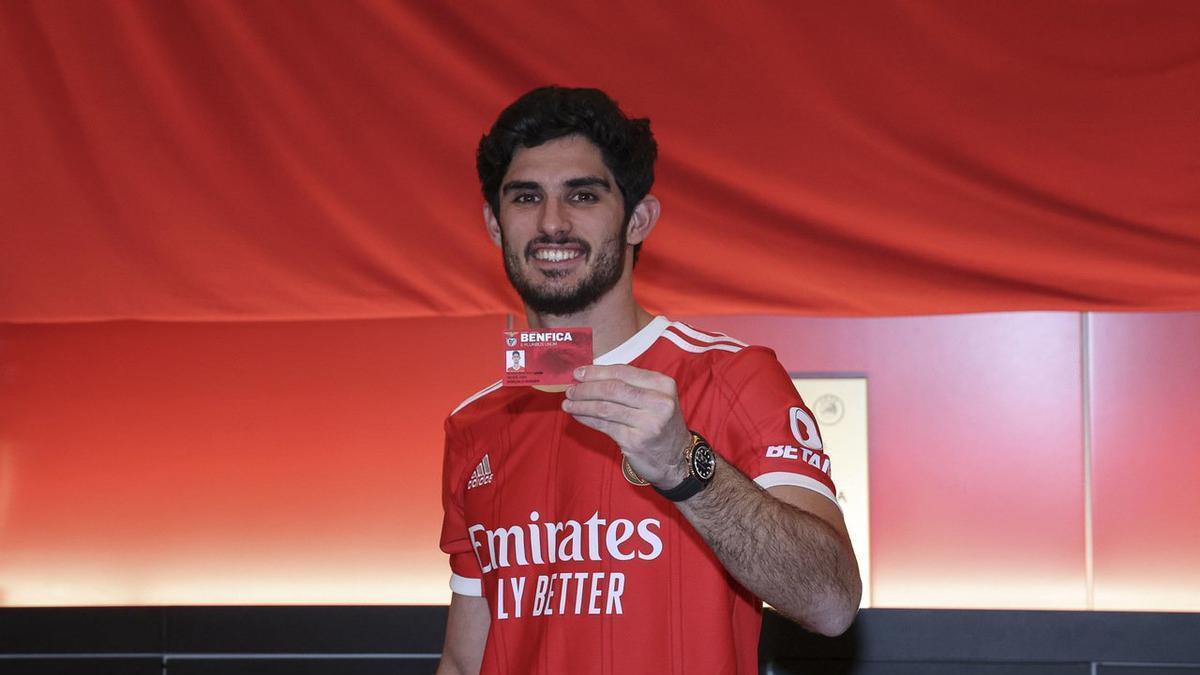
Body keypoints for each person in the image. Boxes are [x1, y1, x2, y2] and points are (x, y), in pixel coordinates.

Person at [437, 86, 861, 675]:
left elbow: (831, 602)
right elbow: (465, 659)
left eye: (583, 195)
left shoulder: (735, 376)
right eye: (525, 197)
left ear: (638, 219)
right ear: (493, 222)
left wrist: (686, 469)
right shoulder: (475, 424)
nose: (551, 222)